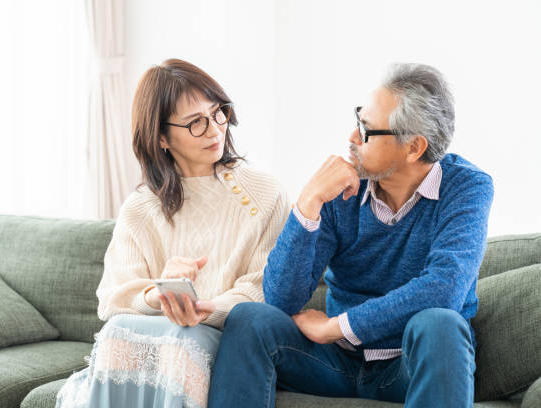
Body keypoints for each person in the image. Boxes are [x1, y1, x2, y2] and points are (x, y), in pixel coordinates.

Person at [208, 63, 493, 408]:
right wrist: (308, 202)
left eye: (367, 130)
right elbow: (281, 301)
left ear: (414, 147)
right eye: (359, 119)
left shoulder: (466, 187)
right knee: (249, 317)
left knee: (441, 324)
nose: (352, 138)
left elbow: (443, 290)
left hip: (409, 366)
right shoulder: (343, 187)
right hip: (334, 363)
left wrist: (339, 327)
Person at [56, 59, 289, 408]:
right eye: (196, 122)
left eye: (218, 113)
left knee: (183, 342)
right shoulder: (140, 207)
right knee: (117, 332)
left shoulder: (264, 192)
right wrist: (158, 295)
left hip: (224, 339)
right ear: (162, 137)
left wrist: (203, 309)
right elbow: (112, 300)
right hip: (159, 333)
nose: (214, 130)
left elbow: (262, 288)